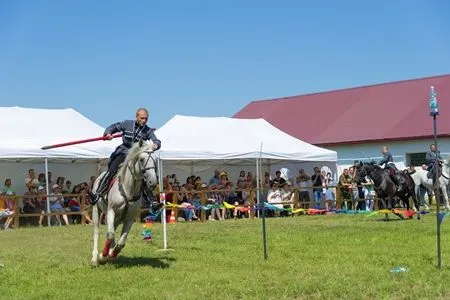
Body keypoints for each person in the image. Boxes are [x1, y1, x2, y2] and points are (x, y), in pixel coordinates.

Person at [90, 108, 161, 204]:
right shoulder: (127, 124)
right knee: (111, 171)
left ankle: (152, 202)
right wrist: (108, 133)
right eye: (142, 118)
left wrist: (155, 145)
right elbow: (113, 127)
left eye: (146, 119)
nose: (144, 121)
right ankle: (98, 194)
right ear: (137, 117)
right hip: (123, 153)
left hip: (136, 156)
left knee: (145, 174)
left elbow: (156, 141)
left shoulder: (148, 130)